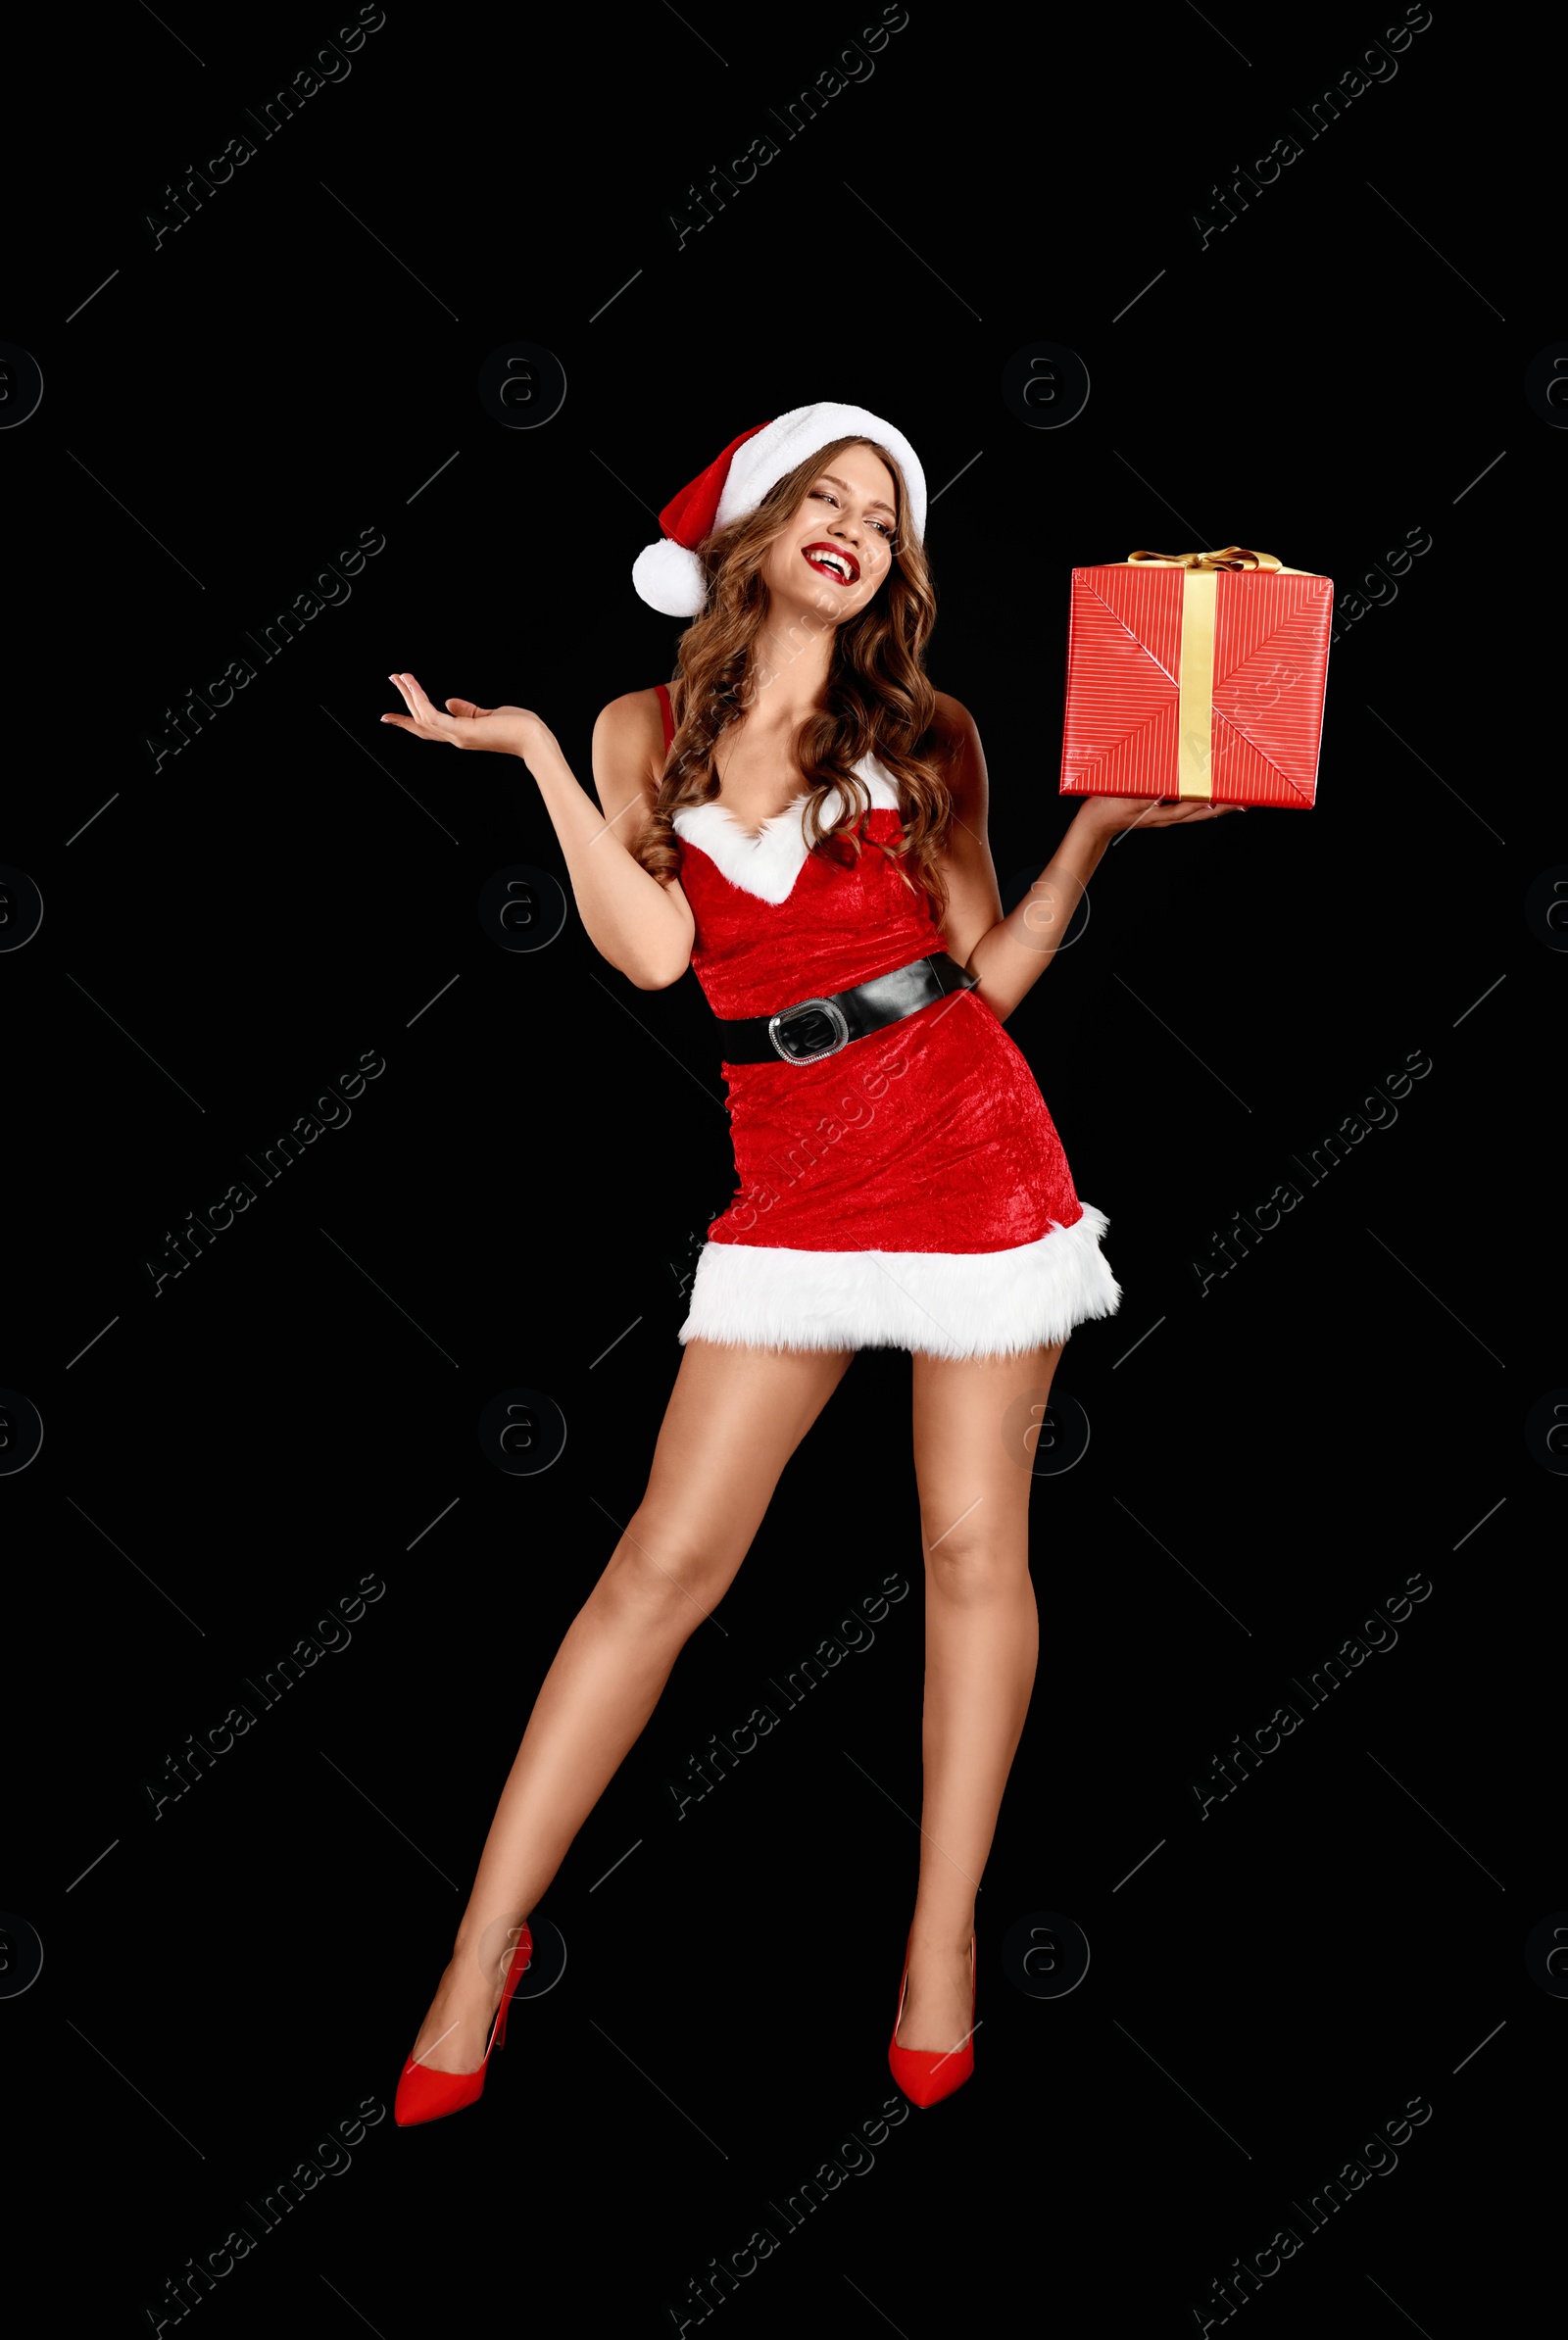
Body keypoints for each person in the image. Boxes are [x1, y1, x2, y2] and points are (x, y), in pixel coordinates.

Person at [379, 402, 1238, 2123]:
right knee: (659, 1568)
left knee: (970, 1550)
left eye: (881, 509)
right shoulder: (642, 730)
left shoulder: (931, 733)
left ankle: (938, 1951)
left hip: (974, 1140)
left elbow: (983, 980)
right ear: (757, 534)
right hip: (791, 1176)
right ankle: (478, 1952)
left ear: (889, 569)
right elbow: (649, 957)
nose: (854, 522)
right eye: (822, 497)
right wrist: (546, 757)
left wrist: (1088, 845)